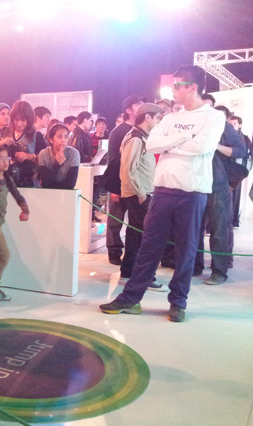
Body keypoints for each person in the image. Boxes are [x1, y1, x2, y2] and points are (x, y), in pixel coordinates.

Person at [99, 65, 226, 323]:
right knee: (148, 247)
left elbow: (203, 147)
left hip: (192, 193)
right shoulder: (169, 118)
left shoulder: (213, 117)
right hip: (162, 191)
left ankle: (178, 302)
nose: (173, 90)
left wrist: (171, 143)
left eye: (177, 85)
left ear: (192, 87)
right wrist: (184, 137)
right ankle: (130, 298)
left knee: (186, 250)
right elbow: (153, 143)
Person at [194, 105, 246, 285]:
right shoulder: (195, 124)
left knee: (219, 231)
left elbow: (240, 150)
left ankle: (219, 271)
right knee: (194, 230)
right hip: (195, 184)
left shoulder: (225, 127)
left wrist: (216, 146)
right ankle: (195, 266)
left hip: (217, 185)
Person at [118, 103, 166, 292]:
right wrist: (140, 193)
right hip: (138, 194)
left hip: (140, 192)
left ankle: (129, 271)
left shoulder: (139, 136)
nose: (159, 121)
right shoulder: (136, 139)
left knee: (135, 234)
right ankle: (145, 277)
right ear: (147, 117)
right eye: (157, 117)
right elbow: (128, 170)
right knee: (146, 237)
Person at [0, 145, 30, 302]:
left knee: (5, 256)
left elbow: (17, 195)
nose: (5, 161)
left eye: (7, 158)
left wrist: (25, 210)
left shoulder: (7, 178)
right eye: (1, 158)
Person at [102, 95, 144, 265]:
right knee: (115, 220)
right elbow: (113, 161)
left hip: (136, 184)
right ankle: (114, 252)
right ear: (128, 110)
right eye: (138, 104)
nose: (142, 106)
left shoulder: (141, 130)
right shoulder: (118, 131)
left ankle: (132, 254)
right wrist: (115, 189)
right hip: (119, 185)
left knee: (135, 222)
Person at [0, 99, 47, 187]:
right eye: (16, 120)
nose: (19, 123)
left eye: (23, 120)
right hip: (2, 183)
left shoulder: (37, 136)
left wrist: (29, 156)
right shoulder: (3, 132)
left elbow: (46, 161)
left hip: (28, 184)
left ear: (29, 120)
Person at [228, 115, 253, 227]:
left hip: (237, 172)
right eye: (230, 124)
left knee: (235, 197)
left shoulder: (245, 139)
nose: (232, 126)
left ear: (240, 125)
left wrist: (244, 172)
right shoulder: (224, 136)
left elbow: (249, 156)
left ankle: (233, 221)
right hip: (225, 171)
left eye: (234, 124)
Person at [38, 123, 80, 189]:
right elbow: (45, 182)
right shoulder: (43, 154)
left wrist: (50, 185)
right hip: (47, 193)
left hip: (66, 193)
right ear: (51, 140)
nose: (63, 140)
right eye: (60, 137)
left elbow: (70, 184)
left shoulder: (74, 153)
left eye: (66, 137)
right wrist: (57, 164)